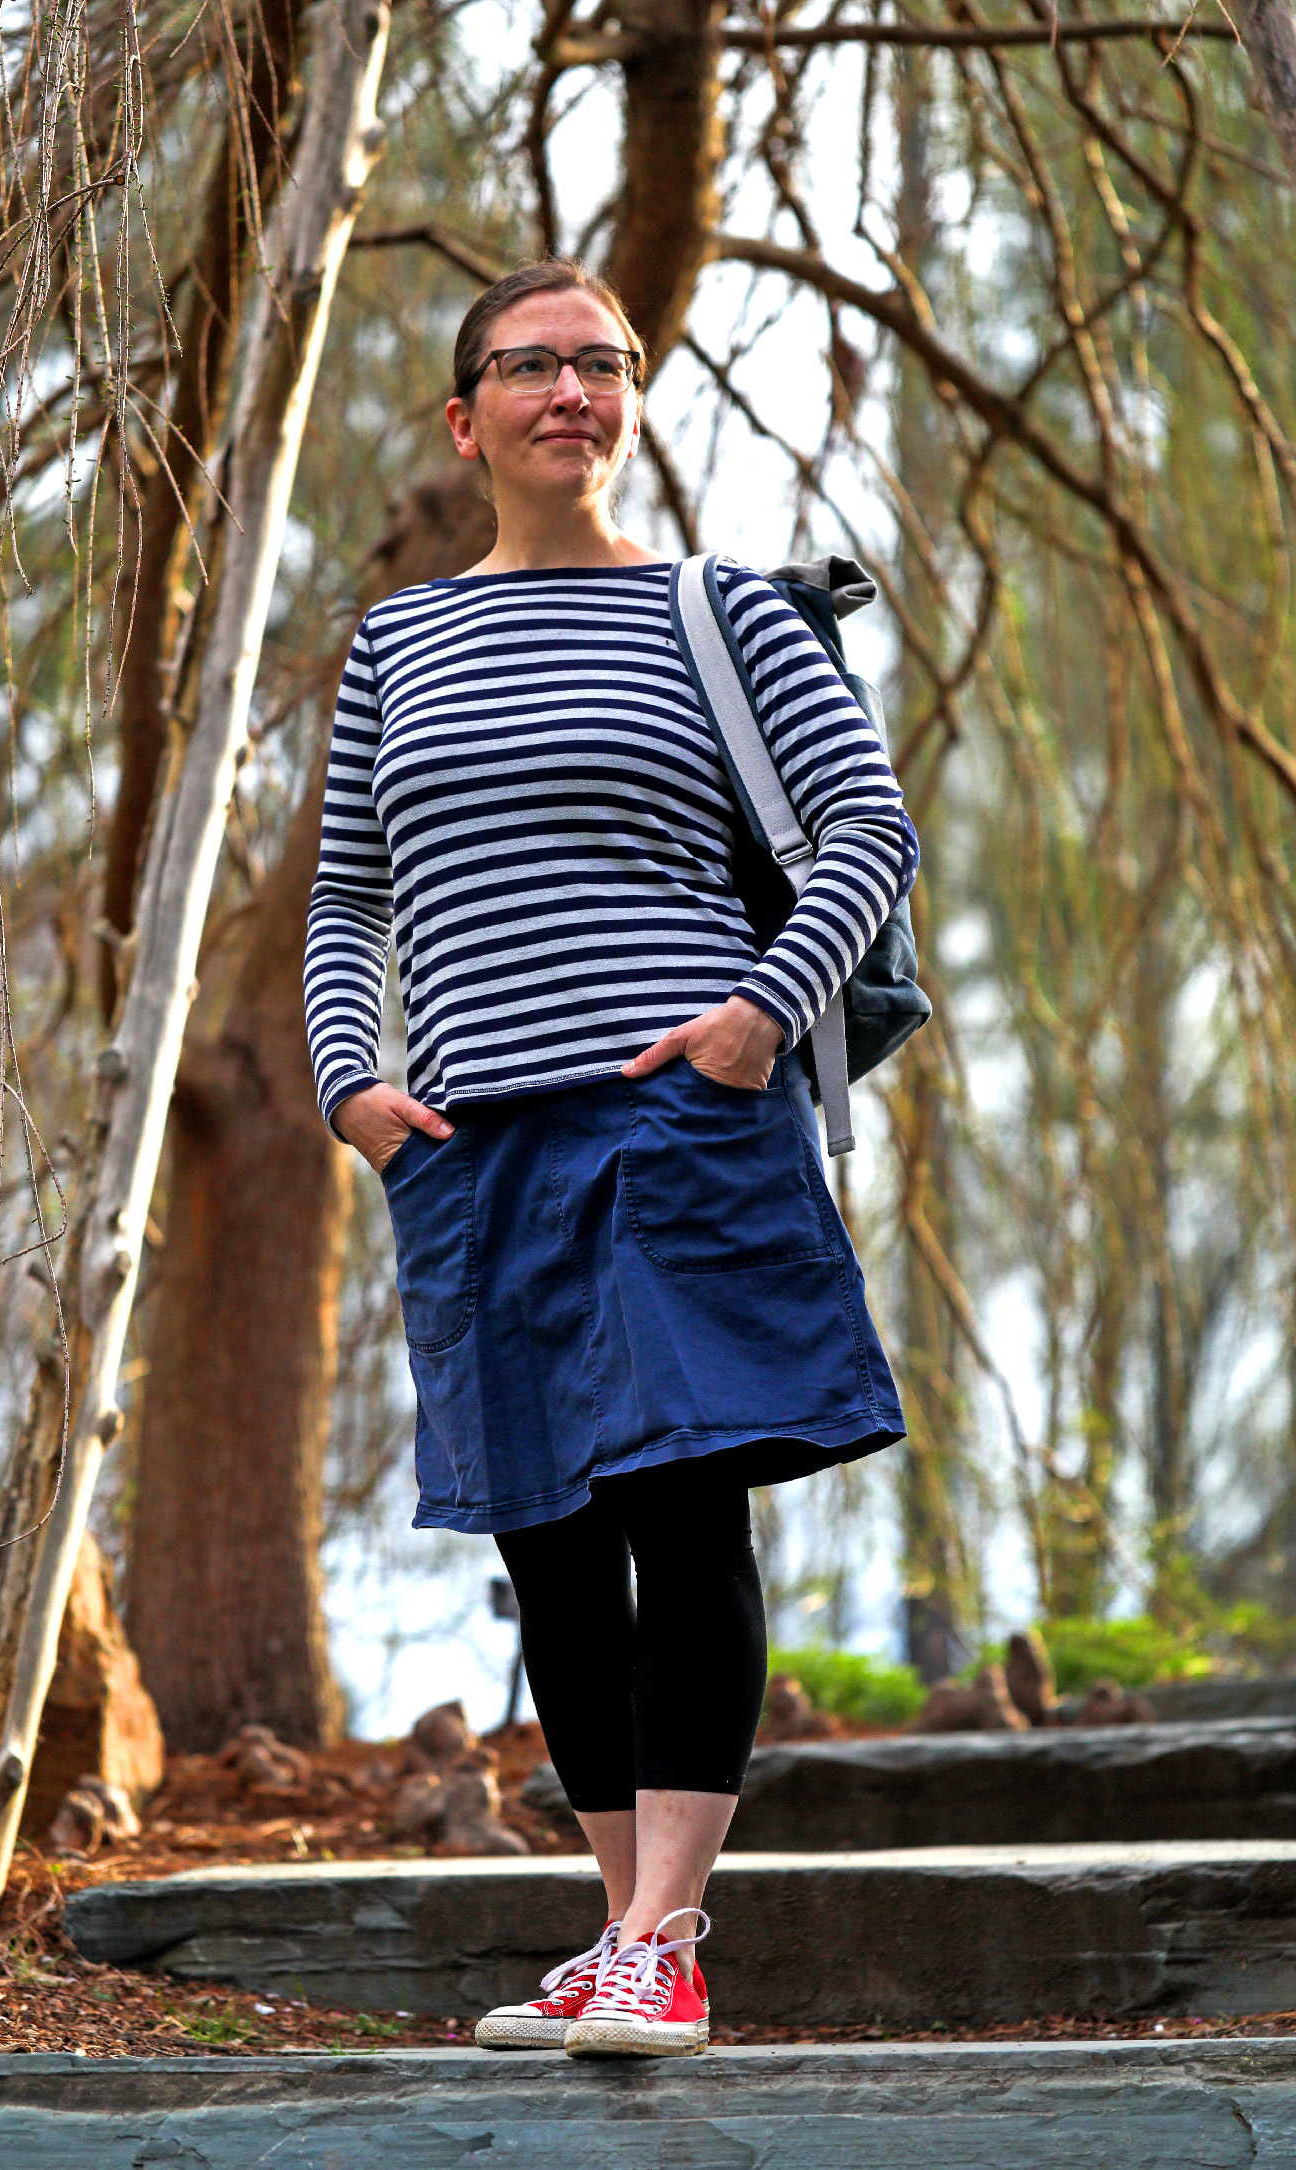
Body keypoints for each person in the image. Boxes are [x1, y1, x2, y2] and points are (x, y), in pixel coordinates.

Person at [303, 258, 918, 2058]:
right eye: (531, 366)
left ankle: (669, 1932)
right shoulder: (396, 644)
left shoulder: (723, 611)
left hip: (677, 1119)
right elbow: (351, 900)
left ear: (630, 400)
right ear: (465, 413)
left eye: (603, 363)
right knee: (548, 1537)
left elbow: (864, 829)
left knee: (674, 1504)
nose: (570, 390)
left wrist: (756, 1016)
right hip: (476, 1141)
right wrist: (354, 1086)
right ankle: (615, 1933)